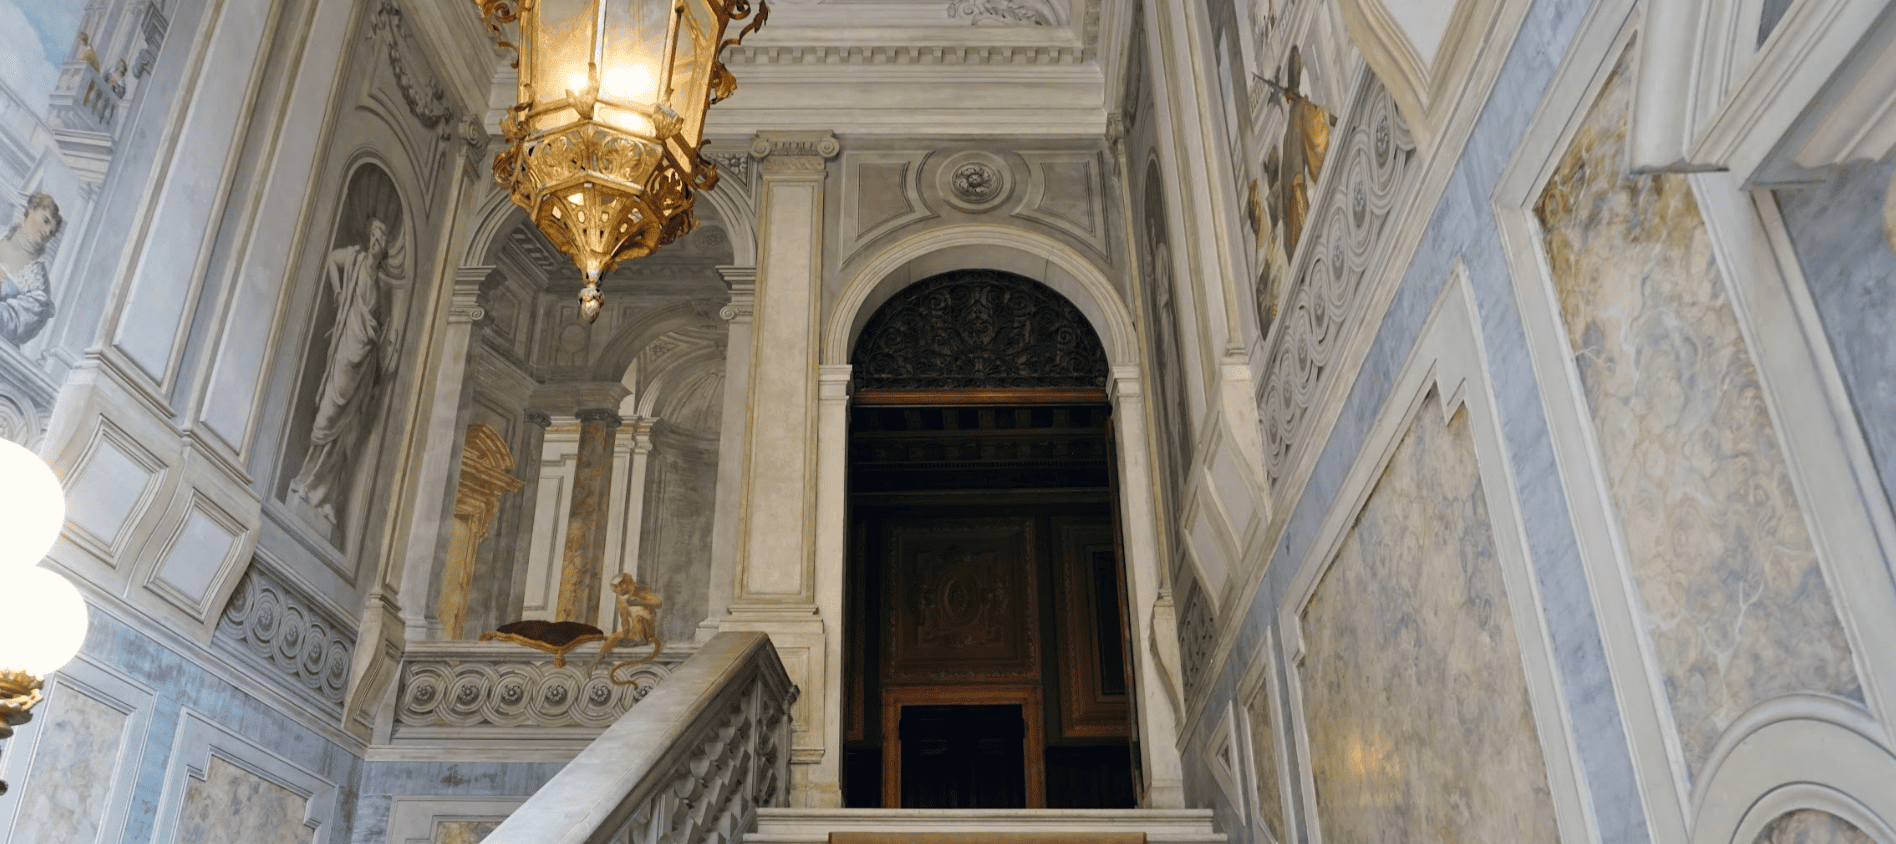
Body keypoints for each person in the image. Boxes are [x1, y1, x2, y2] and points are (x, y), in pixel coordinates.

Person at [288, 216, 407, 526]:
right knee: (328, 415)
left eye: (382, 242)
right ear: (369, 240)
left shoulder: (382, 284)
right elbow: (330, 259)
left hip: (363, 365)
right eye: (375, 239)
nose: (377, 245)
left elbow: (380, 330)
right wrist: (339, 292)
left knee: (346, 435)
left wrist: (386, 352)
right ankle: (305, 481)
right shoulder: (353, 258)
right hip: (345, 356)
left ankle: (325, 496)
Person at [0, 193, 64, 346]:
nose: (48, 232)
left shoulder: (38, 282)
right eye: (45, 221)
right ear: (30, 209)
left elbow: (16, 323)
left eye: (53, 232)